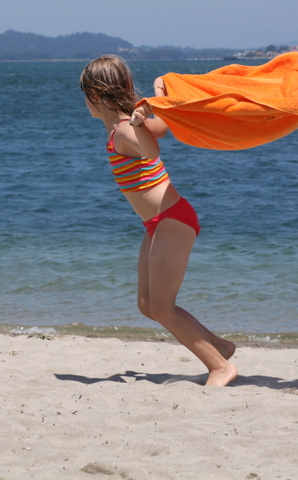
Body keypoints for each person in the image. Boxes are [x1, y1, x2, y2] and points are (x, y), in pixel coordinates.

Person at [80, 55, 238, 387]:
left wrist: (141, 119)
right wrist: (155, 105)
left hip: (172, 219)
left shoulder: (125, 129)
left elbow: (152, 150)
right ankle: (219, 347)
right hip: (156, 223)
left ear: (94, 95)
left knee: (163, 308)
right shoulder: (126, 125)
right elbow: (163, 128)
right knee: (147, 304)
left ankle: (220, 367)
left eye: (85, 96)